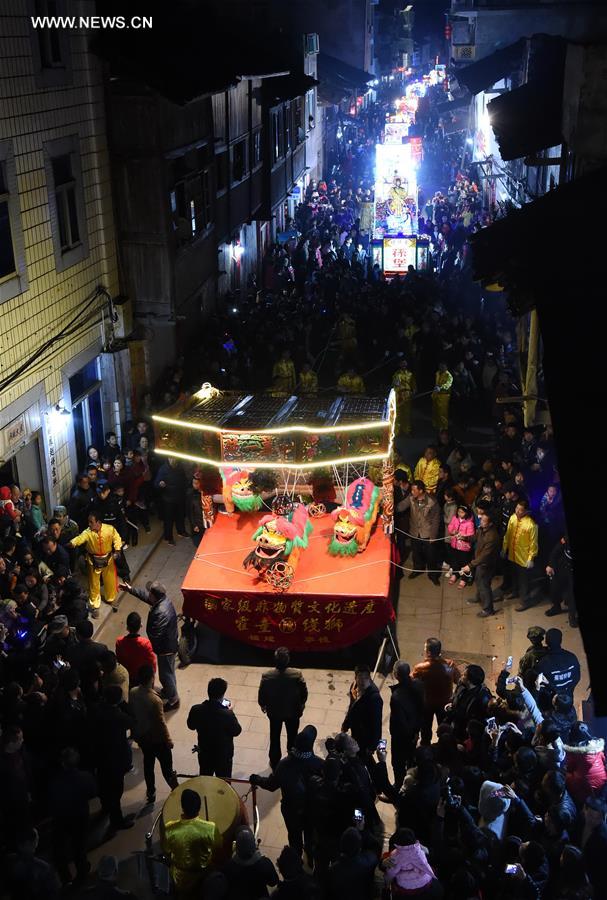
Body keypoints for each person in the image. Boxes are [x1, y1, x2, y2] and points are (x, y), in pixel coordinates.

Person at [250, 725, 323, 857]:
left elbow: (272, 785)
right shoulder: (319, 764)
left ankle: (296, 860)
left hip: (291, 810)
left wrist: (257, 779)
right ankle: (310, 857)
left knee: (294, 838)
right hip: (312, 810)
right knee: (311, 834)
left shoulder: (284, 765)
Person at [119, 579, 179, 709]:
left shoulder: (160, 612)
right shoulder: (163, 601)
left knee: (165, 675)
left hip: (166, 648)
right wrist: (130, 589)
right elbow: (146, 597)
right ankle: (170, 691)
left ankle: (173, 699)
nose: (148, 595)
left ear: (155, 596)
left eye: (150, 593)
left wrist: (150, 644)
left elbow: (156, 634)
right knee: (169, 671)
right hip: (170, 643)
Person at [89, 685, 136, 836]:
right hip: (115, 757)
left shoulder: (96, 709)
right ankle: (117, 820)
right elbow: (133, 720)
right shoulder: (119, 716)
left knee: (103, 783)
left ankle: (105, 806)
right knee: (116, 790)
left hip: (99, 754)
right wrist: (123, 704)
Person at [128, 664, 178, 804]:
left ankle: (151, 792)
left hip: (143, 737)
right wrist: (168, 740)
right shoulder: (155, 700)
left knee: (148, 764)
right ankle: (176, 790)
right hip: (157, 739)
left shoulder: (133, 692)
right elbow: (160, 723)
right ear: (152, 678)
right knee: (167, 768)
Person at [48, 746, 97, 886]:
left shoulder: (55, 781)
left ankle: (65, 877)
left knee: (60, 848)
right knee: (79, 846)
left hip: (61, 818)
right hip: (80, 816)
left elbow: (50, 800)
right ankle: (82, 873)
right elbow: (93, 792)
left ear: (62, 763)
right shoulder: (86, 777)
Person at [258, 646, 308, 770]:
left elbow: (262, 694)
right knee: (292, 737)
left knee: (274, 737)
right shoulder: (296, 674)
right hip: (293, 712)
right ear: (288, 660)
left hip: (274, 712)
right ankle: (292, 760)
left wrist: (263, 705)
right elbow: (304, 693)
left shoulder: (267, 676)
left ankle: (275, 762)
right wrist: (302, 704)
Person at [163, 788, 220, 896]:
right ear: (199, 808)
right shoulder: (210, 828)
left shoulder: (170, 828)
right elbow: (218, 845)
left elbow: (166, 850)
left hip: (180, 879)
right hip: (205, 875)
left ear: (183, 807)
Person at [67, 512, 122, 617]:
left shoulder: (109, 529)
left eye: (91, 522)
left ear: (98, 522)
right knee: (94, 584)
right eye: (89, 522)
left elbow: (117, 538)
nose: (89, 524)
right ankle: (95, 605)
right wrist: (72, 543)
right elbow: (80, 538)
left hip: (108, 560)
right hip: (93, 561)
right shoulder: (88, 532)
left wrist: (117, 549)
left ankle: (111, 599)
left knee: (110, 581)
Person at [187, 677, 242, 777]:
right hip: (223, 755)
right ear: (222, 694)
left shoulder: (196, 709)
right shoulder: (227, 715)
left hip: (204, 752)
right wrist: (229, 711)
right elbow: (237, 731)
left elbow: (191, 726)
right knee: (223, 784)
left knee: (206, 779)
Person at [411, 638, 461, 745]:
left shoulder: (421, 668)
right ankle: (443, 748)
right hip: (445, 704)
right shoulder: (450, 666)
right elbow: (459, 681)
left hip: (427, 704)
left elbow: (409, 681)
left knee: (425, 730)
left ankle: (425, 749)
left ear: (428, 652)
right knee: (444, 730)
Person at [498, 498, 539, 612]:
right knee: (514, 576)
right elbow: (508, 535)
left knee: (523, 581)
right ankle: (515, 592)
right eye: (516, 508)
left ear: (526, 511)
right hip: (512, 554)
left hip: (523, 558)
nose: (517, 511)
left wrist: (531, 558)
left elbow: (533, 543)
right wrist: (504, 548)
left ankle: (525, 601)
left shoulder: (531, 524)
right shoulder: (512, 518)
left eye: (520, 510)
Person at [389, 660, 424, 789]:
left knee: (397, 763)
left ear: (396, 675)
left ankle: (399, 786)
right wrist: (416, 732)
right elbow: (422, 709)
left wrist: (410, 735)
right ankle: (411, 782)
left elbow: (400, 722)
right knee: (410, 759)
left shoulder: (397, 696)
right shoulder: (419, 685)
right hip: (414, 732)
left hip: (401, 737)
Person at [460, 509, 501, 617]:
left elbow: (485, 556)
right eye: (481, 520)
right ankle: (478, 597)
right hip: (480, 562)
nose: (481, 522)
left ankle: (488, 609)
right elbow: (475, 537)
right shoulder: (482, 529)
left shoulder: (492, 537)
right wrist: (464, 538)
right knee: (478, 581)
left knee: (484, 585)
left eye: (484, 521)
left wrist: (470, 565)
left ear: (490, 523)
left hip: (486, 564)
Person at [222, 826, 279, 900]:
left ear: (236, 847)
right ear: (254, 845)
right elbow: (273, 882)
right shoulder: (264, 864)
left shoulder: (228, 866)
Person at [402, 480, 441, 584]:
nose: (412, 491)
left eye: (414, 490)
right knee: (416, 553)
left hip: (427, 533)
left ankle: (433, 575)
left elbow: (436, 520)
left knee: (431, 555)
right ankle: (417, 569)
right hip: (414, 532)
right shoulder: (411, 498)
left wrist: (433, 536)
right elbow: (400, 507)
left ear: (421, 490)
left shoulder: (432, 502)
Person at [342, 664, 383, 760]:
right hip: (356, 731)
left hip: (366, 737)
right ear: (355, 678)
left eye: (366, 677)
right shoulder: (354, 688)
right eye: (360, 677)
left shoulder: (374, 698)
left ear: (369, 678)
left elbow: (377, 724)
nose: (363, 681)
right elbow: (352, 707)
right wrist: (346, 724)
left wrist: (373, 746)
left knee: (365, 759)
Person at [326, 826, 378, 900]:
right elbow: (375, 848)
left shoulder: (333, 870)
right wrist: (362, 831)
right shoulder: (368, 862)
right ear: (359, 848)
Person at [563, 721, 607, 807]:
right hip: (602, 785)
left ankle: (581, 803)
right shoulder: (597, 747)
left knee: (566, 775)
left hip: (587, 790)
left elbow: (569, 768)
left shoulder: (574, 753)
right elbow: (603, 760)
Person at [446, 664, 491, 740]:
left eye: (464, 675)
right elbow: (455, 699)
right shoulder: (462, 687)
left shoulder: (482, 697)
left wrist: (451, 711)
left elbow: (474, 717)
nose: (461, 676)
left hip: (467, 734)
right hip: (456, 728)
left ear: (470, 680)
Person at [535, 628, 581, 700]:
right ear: (561, 641)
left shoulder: (543, 663)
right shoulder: (572, 657)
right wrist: (568, 690)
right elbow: (577, 677)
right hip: (568, 697)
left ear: (546, 642)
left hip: (551, 699)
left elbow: (539, 682)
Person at [115, 610, 157, 685]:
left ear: (127, 627)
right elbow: (152, 662)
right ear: (140, 625)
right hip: (141, 678)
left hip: (126, 676)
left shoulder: (119, 641)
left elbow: (119, 659)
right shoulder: (145, 643)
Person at [154, 457, 188, 545]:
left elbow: (184, 479)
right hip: (168, 499)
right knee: (168, 519)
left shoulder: (180, 467)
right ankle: (168, 537)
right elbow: (156, 483)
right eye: (171, 458)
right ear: (168, 458)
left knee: (180, 516)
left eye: (174, 458)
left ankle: (181, 531)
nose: (173, 460)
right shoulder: (163, 469)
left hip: (179, 496)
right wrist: (160, 484)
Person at [545, 535, 577, 627]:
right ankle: (556, 607)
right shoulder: (566, 538)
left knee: (572, 594)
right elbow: (555, 551)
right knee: (554, 586)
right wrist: (550, 565)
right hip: (563, 565)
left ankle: (572, 617)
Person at [445, 504, 475, 588]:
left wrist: (463, 537)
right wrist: (452, 531)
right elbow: (450, 526)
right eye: (458, 512)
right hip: (454, 545)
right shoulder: (455, 518)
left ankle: (464, 579)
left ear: (466, 513)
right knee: (455, 561)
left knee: (464, 563)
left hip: (464, 548)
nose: (460, 514)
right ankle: (455, 574)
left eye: (462, 512)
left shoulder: (470, 523)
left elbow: (471, 535)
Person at [392, 359, 416, 436]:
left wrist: (414, 392)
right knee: (398, 413)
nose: (404, 365)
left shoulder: (410, 374)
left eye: (405, 363)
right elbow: (395, 385)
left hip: (408, 395)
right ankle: (396, 431)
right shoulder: (396, 374)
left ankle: (407, 430)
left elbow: (414, 385)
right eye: (402, 363)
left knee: (407, 413)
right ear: (399, 365)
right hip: (399, 395)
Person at [432, 361, 453, 431]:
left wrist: (440, 388)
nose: (441, 367)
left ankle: (444, 427)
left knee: (443, 412)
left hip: (444, 396)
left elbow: (448, 384)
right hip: (436, 394)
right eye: (440, 366)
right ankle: (437, 424)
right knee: (436, 410)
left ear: (446, 367)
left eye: (443, 366)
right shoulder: (437, 373)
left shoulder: (449, 375)